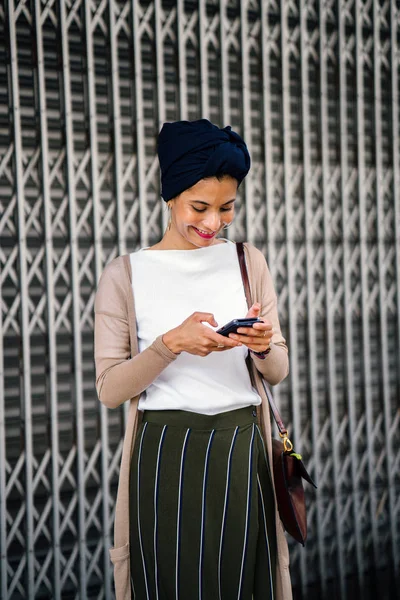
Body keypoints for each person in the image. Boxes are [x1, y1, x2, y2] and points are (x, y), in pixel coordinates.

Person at [94, 119, 292, 600]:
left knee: (247, 584)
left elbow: (278, 370)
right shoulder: (126, 275)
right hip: (165, 456)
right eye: (198, 206)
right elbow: (110, 390)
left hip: (242, 447)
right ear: (169, 197)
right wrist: (171, 344)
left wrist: (262, 345)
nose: (213, 222)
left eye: (226, 208)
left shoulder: (249, 262)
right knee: (171, 583)